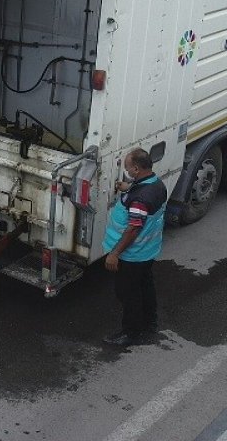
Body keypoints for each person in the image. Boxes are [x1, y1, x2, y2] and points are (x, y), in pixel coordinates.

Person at [102, 147, 168, 347]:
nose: (127, 171)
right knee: (145, 286)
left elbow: (133, 229)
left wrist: (115, 254)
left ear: (137, 169)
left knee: (128, 293)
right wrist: (127, 188)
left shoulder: (140, 198)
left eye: (129, 168)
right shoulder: (155, 184)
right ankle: (150, 323)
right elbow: (139, 194)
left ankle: (131, 333)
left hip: (132, 255)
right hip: (148, 251)